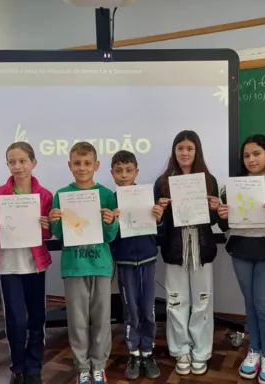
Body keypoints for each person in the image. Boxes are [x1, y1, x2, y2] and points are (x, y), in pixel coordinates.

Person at [216, 134, 265, 384]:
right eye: (247, 155)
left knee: (264, 305)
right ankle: (254, 350)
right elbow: (223, 224)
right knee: (249, 303)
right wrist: (222, 214)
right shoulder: (232, 186)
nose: (251, 159)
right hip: (241, 249)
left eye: (256, 154)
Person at [49, 141, 119, 384]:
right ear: (69, 165)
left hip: (100, 266)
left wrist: (111, 222)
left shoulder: (107, 195)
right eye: (77, 163)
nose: (82, 168)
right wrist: (54, 220)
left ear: (96, 165)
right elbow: (58, 234)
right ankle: (82, 368)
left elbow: (110, 236)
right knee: (77, 321)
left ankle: (98, 366)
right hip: (73, 267)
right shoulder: (61, 195)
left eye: (87, 163)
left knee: (101, 319)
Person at [153, 130, 221, 376]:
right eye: (179, 148)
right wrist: (159, 211)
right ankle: (181, 349)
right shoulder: (162, 182)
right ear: (174, 151)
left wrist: (215, 208)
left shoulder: (209, 180)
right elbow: (157, 223)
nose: (184, 153)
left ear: (196, 151)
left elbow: (213, 220)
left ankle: (201, 351)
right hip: (175, 249)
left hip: (201, 250)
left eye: (189, 148)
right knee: (176, 302)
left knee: (202, 301)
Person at [0, 142, 54, 384]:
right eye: (12, 161)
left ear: (33, 163)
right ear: (7, 165)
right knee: (15, 320)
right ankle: (18, 367)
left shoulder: (45, 195)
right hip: (9, 266)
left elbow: (47, 235)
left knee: (37, 318)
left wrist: (48, 228)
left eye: (23, 161)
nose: (17, 166)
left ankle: (34, 367)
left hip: (34, 265)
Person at [108, 150, 164, 380]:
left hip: (148, 259)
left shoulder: (147, 196)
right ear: (112, 174)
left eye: (128, 170)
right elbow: (109, 234)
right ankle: (134, 351)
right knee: (130, 310)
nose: (124, 176)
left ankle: (148, 351)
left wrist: (159, 218)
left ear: (136, 172)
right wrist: (112, 219)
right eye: (119, 171)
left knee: (148, 310)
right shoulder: (112, 200)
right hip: (125, 261)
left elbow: (160, 229)